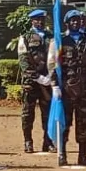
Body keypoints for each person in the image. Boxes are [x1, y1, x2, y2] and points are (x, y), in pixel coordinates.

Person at [49, 9, 86, 166]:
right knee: (64, 123)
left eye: (78, 20)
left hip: (84, 89)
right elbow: (53, 65)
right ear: (67, 23)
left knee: (84, 123)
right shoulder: (60, 40)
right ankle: (62, 154)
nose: (75, 23)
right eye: (72, 20)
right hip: (66, 89)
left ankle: (82, 155)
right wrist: (54, 85)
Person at [18, 9, 54, 154]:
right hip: (31, 82)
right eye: (37, 19)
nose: (40, 22)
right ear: (32, 21)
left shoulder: (52, 37)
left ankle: (48, 141)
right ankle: (28, 141)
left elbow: (56, 58)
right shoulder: (25, 37)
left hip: (48, 82)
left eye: (42, 19)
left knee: (48, 114)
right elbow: (24, 61)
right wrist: (38, 77)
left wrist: (51, 77)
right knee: (28, 113)